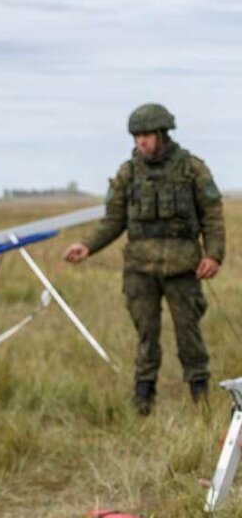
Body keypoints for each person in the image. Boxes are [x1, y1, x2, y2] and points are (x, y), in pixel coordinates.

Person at [63, 103, 224, 415]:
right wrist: (87, 246)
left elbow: (212, 216)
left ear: (162, 134)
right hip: (140, 269)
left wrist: (214, 255)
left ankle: (200, 401)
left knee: (189, 335)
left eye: (147, 135)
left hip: (182, 268)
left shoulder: (193, 169)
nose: (141, 142)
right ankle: (143, 402)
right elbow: (113, 220)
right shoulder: (128, 173)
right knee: (146, 336)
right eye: (136, 136)